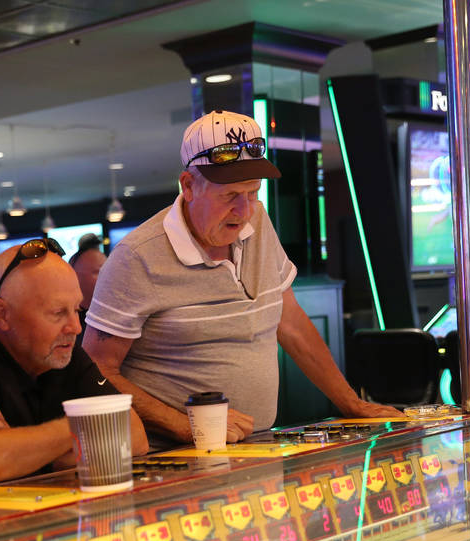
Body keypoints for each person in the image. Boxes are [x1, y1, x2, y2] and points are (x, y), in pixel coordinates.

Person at [83, 110, 400, 449]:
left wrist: (351, 403)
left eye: (253, 193)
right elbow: (96, 371)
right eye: (229, 196)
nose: (244, 211)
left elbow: (290, 322)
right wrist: (186, 426)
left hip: (254, 448)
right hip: (174, 454)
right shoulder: (137, 256)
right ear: (189, 186)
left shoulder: (258, 222)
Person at [0, 239, 148, 486]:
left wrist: (20, 452)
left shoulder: (64, 353)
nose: (75, 327)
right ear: (1, 314)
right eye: (58, 313)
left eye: (76, 310)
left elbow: (135, 436)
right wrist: (85, 425)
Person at [69, 234, 107, 344]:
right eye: (98, 272)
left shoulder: (115, 311)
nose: (108, 278)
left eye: (107, 271)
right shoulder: (69, 323)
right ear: (76, 276)